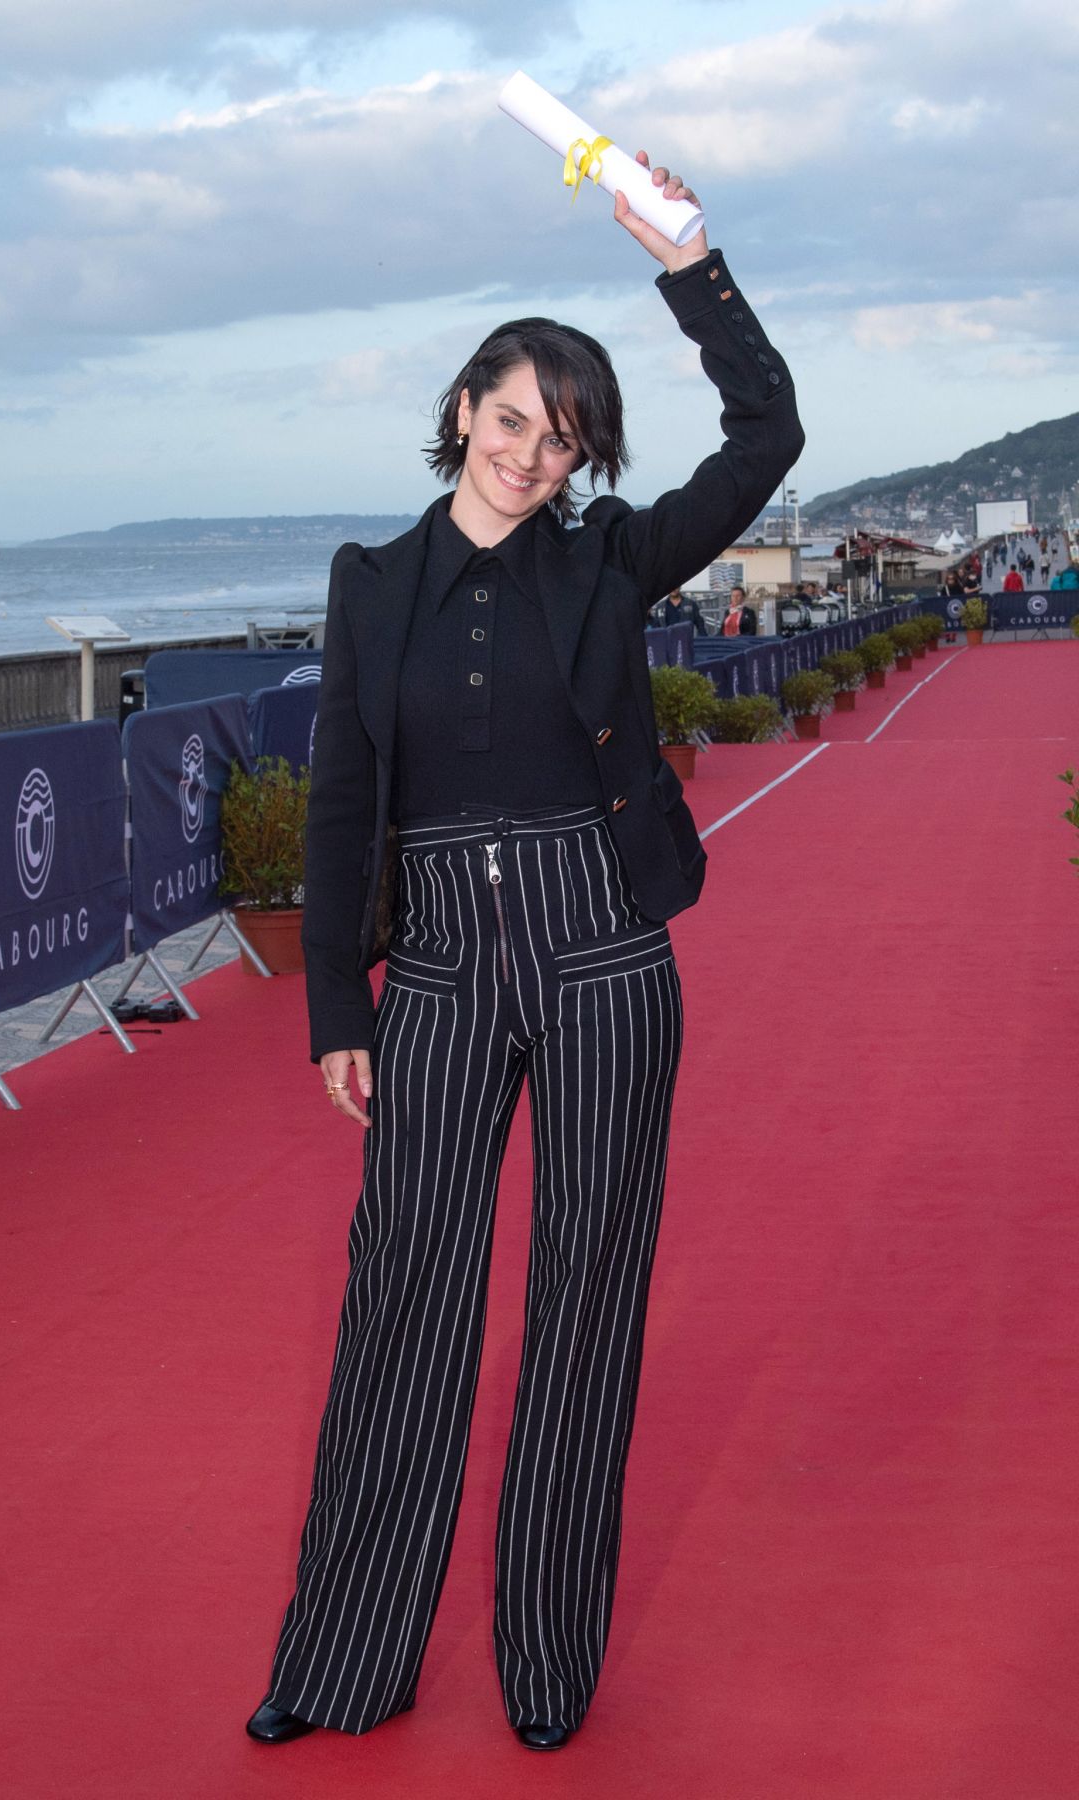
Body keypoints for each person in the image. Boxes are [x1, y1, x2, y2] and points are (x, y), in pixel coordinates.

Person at [245, 153, 803, 1755]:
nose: (528, 451)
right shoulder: (375, 587)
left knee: (585, 1297)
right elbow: (347, 800)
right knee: (404, 1292)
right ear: (464, 407)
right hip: (431, 969)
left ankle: (548, 1662)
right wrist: (336, 1002)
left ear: (582, 459)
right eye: (509, 416)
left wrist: (688, 260)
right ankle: (345, 1662)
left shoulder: (610, 562)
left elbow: (768, 437)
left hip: (604, 948)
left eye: (561, 437)